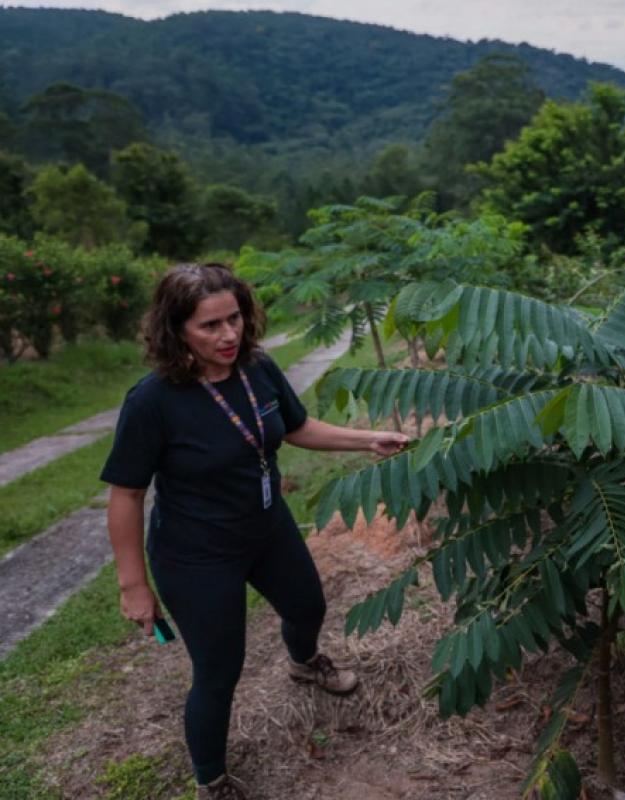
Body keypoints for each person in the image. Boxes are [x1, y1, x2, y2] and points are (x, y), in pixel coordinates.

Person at [101, 263, 410, 800]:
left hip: (267, 528)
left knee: (308, 606)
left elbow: (294, 429)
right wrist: (134, 584)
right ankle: (212, 781)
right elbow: (126, 494)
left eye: (234, 319)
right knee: (220, 672)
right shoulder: (152, 401)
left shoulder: (257, 369)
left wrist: (368, 439)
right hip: (195, 555)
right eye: (210, 326)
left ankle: (304, 662)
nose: (228, 335)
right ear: (175, 330)